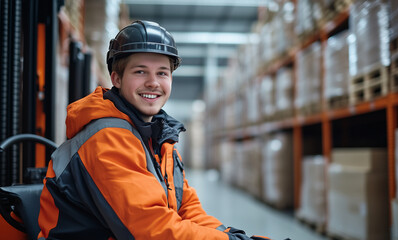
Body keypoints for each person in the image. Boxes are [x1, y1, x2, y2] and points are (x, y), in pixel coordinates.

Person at [37, 20, 279, 240]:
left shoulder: (160, 139)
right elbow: (152, 229)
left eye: (162, 73)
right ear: (116, 78)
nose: (153, 82)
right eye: (140, 71)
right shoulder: (106, 138)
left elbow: (187, 210)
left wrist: (234, 236)